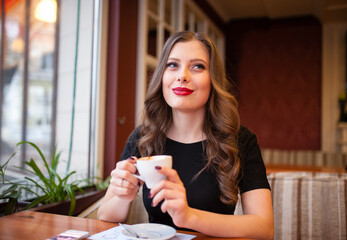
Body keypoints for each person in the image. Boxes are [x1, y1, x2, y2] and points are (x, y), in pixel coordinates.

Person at [98, 31, 274, 239]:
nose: (182, 75)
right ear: (162, 76)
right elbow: (104, 217)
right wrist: (122, 196)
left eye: (197, 66)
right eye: (173, 65)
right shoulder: (143, 137)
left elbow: (264, 228)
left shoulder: (240, 141)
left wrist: (188, 216)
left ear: (213, 79)